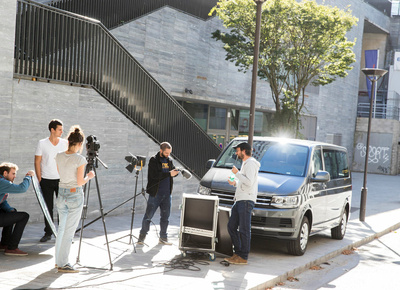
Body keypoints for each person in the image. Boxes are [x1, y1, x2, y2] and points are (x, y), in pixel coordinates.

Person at [54, 125, 95, 273]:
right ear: (79, 144)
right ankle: (64, 263)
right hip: (74, 195)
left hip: (61, 193)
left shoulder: (58, 155)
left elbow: (61, 174)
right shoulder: (80, 159)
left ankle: (58, 261)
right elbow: (79, 182)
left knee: (62, 229)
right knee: (69, 231)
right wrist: (89, 177)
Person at [137, 142, 179, 245]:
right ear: (161, 151)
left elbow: (171, 174)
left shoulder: (169, 160)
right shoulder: (153, 160)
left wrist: (176, 172)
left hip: (167, 194)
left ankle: (163, 237)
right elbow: (154, 176)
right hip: (156, 194)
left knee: (165, 217)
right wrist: (169, 173)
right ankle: (141, 237)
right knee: (148, 216)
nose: (168, 155)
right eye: (166, 153)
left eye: (169, 153)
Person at [225, 142, 260, 265]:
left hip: (246, 200)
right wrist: (234, 183)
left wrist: (237, 174)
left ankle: (243, 256)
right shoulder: (246, 163)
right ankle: (238, 253)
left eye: (238, 150)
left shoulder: (250, 164)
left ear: (244, 151)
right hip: (240, 199)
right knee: (231, 226)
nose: (236, 153)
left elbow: (249, 182)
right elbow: (245, 182)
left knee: (244, 229)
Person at [35, 119, 68, 242]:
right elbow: (37, 161)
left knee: (62, 208)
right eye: (59, 129)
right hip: (46, 180)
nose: (62, 131)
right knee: (48, 208)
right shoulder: (42, 143)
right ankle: (48, 233)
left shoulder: (65, 143)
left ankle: (62, 233)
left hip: (61, 180)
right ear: (52, 130)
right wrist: (39, 178)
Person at [0, 162, 35, 256]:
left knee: (12, 212)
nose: (15, 176)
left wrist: (10, 209)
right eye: (13, 173)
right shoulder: (2, 182)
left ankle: (4, 244)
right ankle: (12, 248)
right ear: (5, 173)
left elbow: (2, 201)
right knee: (24, 216)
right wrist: (28, 176)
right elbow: (22, 188)